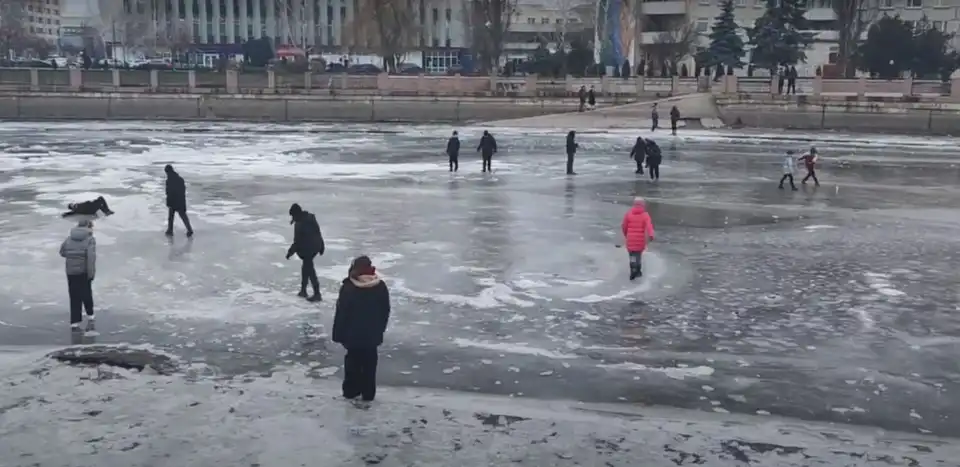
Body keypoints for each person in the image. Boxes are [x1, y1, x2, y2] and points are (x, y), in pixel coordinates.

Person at [333, 255, 391, 404]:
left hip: (352, 336)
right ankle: (368, 393)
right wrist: (380, 330)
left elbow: (342, 313)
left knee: (352, 363)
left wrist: (338, 334)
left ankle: (351, 391)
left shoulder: (349, 287)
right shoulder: (380, 286)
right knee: (370, 364)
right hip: (372, 336)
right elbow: (385, 311)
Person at [59, 219, 96, 329]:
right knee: (86, 293)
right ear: (89, 226)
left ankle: (75, 322)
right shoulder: (90, 239)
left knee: (74, 295)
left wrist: (72, 257)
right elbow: (91, 258)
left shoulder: (69, 239)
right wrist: (91, 273)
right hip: (83, 271)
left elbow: (62, 252)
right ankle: (90, 315)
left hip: (70, 272)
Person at [286, 203, 325, 302]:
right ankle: (303, 290)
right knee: (306, 268)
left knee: (309, 270)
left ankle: (317, 294)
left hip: (309, 249)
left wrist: (290, 252)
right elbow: (318, 232)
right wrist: (322, 245)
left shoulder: (301, 224)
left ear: (297, 214)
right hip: (314, 246)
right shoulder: (309, 218)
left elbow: (298, 241)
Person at [621, 197, 655, 280]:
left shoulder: (628, 214)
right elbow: (649, 227)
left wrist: (626, 235)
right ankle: (638, 271)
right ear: (643, 205)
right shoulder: (645, 215)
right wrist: (651, 236)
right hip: (640, 241)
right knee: (638, 255)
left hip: (630, 239)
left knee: (632, 255)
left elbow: (624, 226)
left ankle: (632, 268)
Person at [164, 164, 194, 237]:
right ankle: (189, 230)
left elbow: (168, 192)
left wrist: (169, 201)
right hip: (180, 200)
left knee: (172, 217)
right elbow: (182, 190)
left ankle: (170, 230)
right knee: (182, 216)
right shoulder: (180, 179)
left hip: (174, 201)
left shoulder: (169, 180)